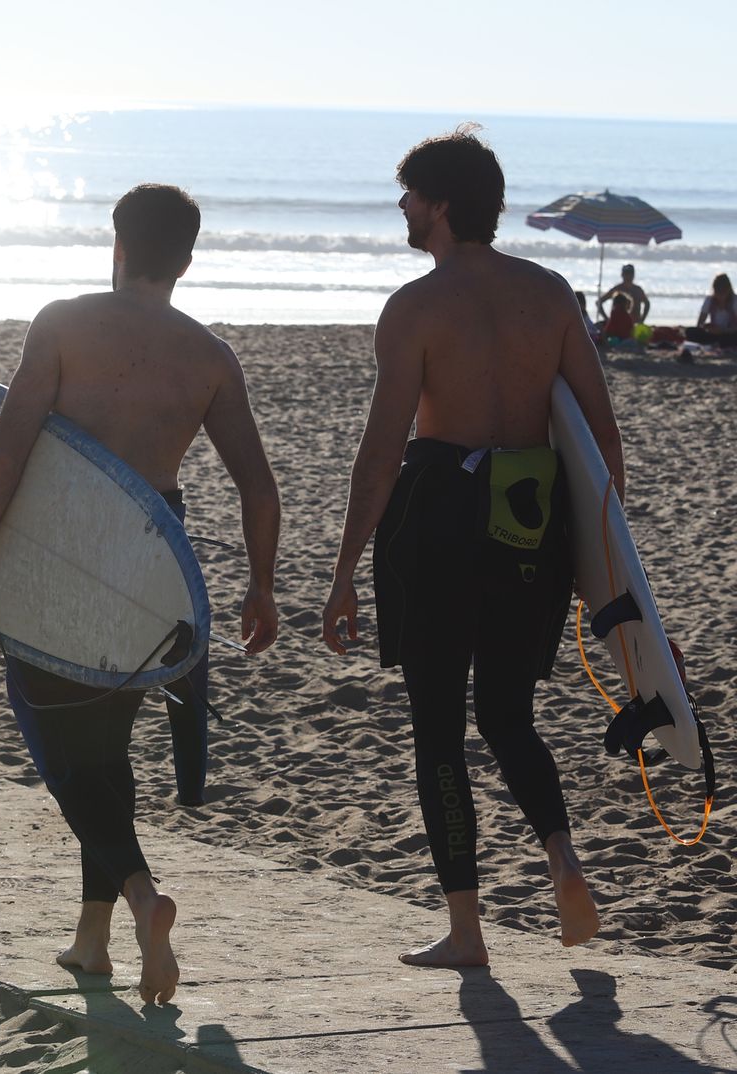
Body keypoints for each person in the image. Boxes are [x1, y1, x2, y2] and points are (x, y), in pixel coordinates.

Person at [0, 184, 281, 1006]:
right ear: (188, 259)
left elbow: (6, 455)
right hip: (150, 558)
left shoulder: (62, 324)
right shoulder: (209, 356)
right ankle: (91, 940)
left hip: (57, 551)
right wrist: (260, 587)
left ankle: (138, 897)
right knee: (108, 750)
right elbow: (259, 486)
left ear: (117, 244)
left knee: (61, 751)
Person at [320, 127, 623, 968]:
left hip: (439, 516)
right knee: (507, 715)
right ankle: (562, 855)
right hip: (530, 520)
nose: (404, 210)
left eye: (411, 196)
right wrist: (597, 569)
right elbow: (603, 444)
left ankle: (465, 930)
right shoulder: (553, 294)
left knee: (439, 731)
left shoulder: (415, 307)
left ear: (442, 204)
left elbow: (381, 455)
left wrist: (345, 572)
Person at [685, 273, 737, 345]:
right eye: (718, 292)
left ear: (728, 290)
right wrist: (706, 327)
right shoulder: (709, 300)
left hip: (728, 333)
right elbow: (700, 323)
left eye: (723, 293)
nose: (720, 296)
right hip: (712, 334)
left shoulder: (735, 301)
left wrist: (723, 331)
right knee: (690, 331)